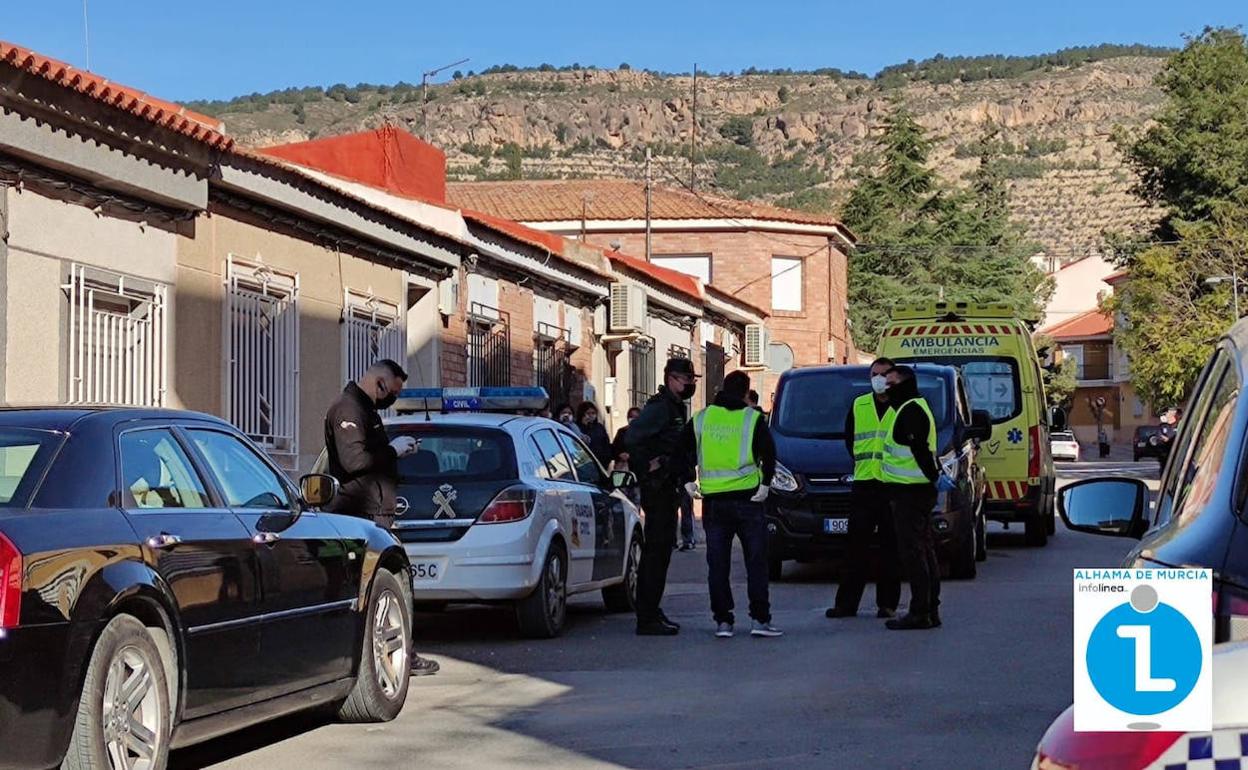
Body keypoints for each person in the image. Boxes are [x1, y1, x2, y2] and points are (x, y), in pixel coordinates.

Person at [323, 359, 442, 675]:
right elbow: (353, 461)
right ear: (379, 382)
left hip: (376, 510)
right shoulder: (348, 409)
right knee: (381, 586)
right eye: (393, 391)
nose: (393, 399)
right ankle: (393, 655)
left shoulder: (367, 410)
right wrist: (394, 451)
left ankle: (400, 651)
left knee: (390, 585)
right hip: (361, 514)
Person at [683, 371, 780, 638]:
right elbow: (769, 453)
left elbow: (683, 450)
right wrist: (765, 485)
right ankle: (760, 620)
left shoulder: (702, 418)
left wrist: (688, 480)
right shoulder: (752, 418)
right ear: (746, 393)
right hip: (749, 500)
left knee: (718, 564)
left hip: (714, 503)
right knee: (756, 562)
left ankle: (723, 622)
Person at [626, 357, 700, 636]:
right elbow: (632, 437)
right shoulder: (660, 408)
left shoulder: (674, 407)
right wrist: (649, 465)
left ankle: (652, 610)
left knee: (662, 552)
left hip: (669, 487)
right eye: (686, 380)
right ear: (671, 379)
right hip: (657, 488)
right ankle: (647, 617)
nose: (690, 384)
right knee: (655, 553)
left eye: (693, 380)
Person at [880, 365, 954, 631]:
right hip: (913, 491)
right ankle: (929, 608)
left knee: (914, 553)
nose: (886, 388)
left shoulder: (910, 410)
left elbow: (920, 450)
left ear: (905, 384)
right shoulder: (909, 407)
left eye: (890, 383)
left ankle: (920, 611)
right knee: (924, 550)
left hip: (911, 492)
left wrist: (933, 476)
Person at [826, 357, 901, 620]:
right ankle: (846, 604)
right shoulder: (860, 405)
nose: (878, 380)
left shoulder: (902, 406)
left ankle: (887, 604)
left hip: (892, 486)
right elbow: (851, 440)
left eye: (883, 374)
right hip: (864, 485)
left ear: (893, 377)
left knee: (890, 548)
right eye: (874, 375)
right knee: (856, 547)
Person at [576, 401, 613, 467]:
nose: (591, 416)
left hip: (601, 463)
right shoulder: (577, 427)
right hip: (584, 463)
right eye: (588, 413)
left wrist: (607, 458)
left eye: (593, 413)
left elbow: (606, 444)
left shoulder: (599, 427)